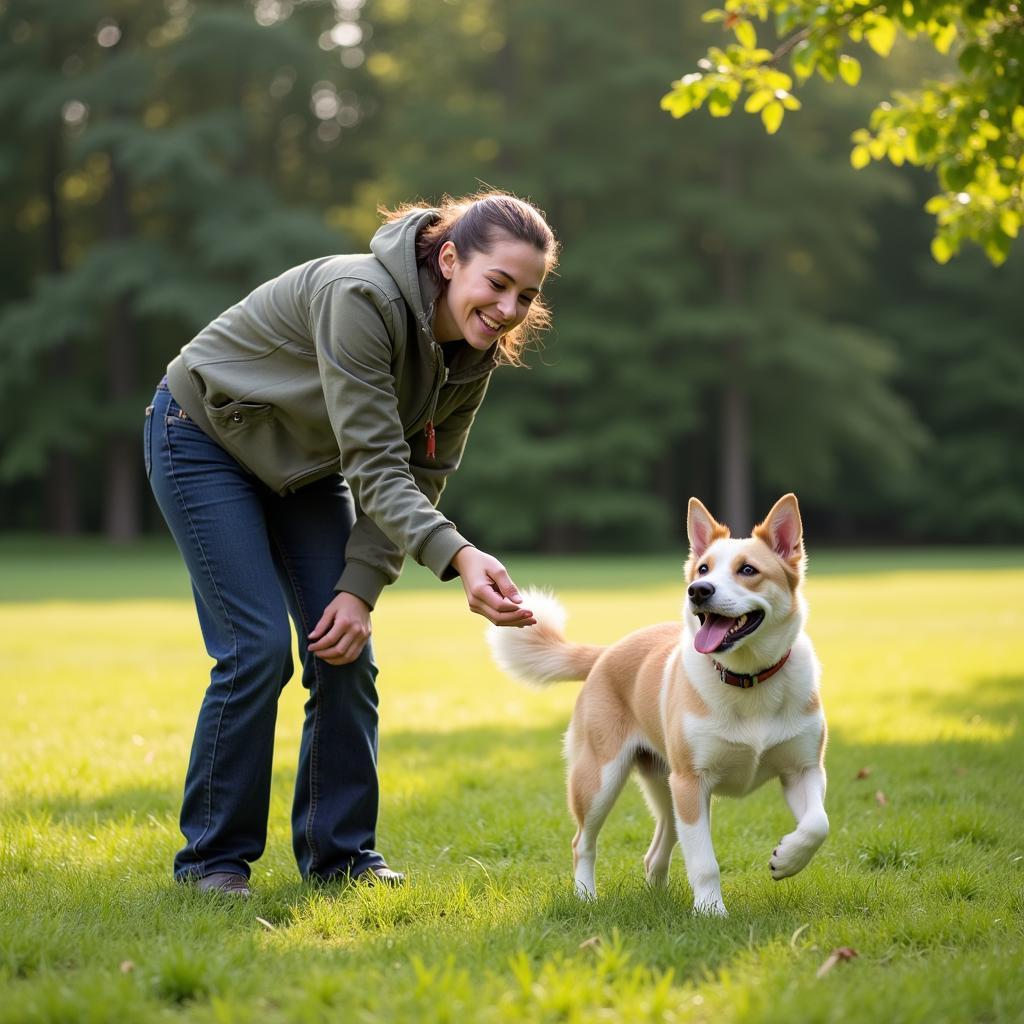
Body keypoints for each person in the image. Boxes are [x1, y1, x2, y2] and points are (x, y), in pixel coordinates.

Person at [143, 191, 558, 896]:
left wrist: (358, 589)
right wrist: (459, 557)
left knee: (345, 650)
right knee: (256, 649)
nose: (510, 308)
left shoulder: (471, 355)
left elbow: (423, 472)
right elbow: (374, 464)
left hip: (302, 469)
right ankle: (211, 862)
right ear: (451, 259)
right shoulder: (359, 296)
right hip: (203, 436)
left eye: (528, 294)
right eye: (498, 283)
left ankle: (341, 860)